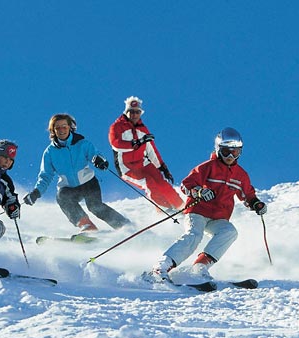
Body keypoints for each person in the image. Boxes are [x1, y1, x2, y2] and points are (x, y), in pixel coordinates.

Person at [149, 127, 267, 282]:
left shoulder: (241, 175)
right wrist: (198, 192)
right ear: (218, 150)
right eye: (226, 152)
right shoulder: (206, 167)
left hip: (218, 217)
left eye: (235, 152)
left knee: (229, 232)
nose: (230, 156)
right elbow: (186, 185)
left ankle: (199, 268)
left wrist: (256, 204)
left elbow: (248, 195)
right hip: (197, 211)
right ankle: (161, 268)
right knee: (194, 235)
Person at [22, 113, 130, 232]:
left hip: (88, 183)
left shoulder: (82, 144)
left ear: (69, 127)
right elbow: (45, 176)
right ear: (53, 130)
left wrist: (100, 161)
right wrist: (36, 192)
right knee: (62, 197)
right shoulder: (50, 152)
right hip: (69, 188)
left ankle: (124, 225)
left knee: (95, 207)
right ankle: (87, 226)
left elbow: (95, 155)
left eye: (64, 126)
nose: (61, 130)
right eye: (57, 128)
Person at [109, 96, 184, 210]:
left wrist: (162, 167)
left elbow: (151, 149)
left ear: (141, 113)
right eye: (131, 112)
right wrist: (137, 143)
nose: (134, 115)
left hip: (142, 163)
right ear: (126, 112)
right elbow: (116, 144)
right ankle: (164, 209)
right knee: (148, 183)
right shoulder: (117, 126)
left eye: (137, 112)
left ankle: (182, 207)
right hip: (126, 168)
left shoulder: (143, 129)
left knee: (162, 183)